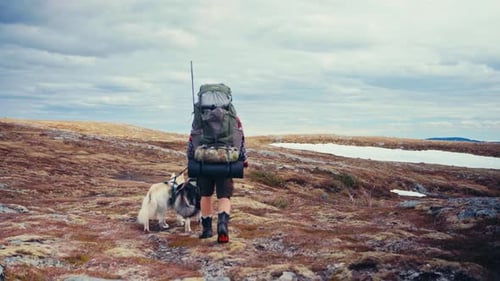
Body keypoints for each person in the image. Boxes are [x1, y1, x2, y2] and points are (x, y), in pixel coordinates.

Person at [186, 116, 248, 243]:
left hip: (204, 164)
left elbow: (192, 139)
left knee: (205, 195)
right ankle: (222, 225)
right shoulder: (233, 117)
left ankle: (207, 230)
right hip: (225, 163)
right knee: (224, 196)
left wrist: (192, 159)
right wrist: (243, 159)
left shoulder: (200, 116)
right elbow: (240, 138)